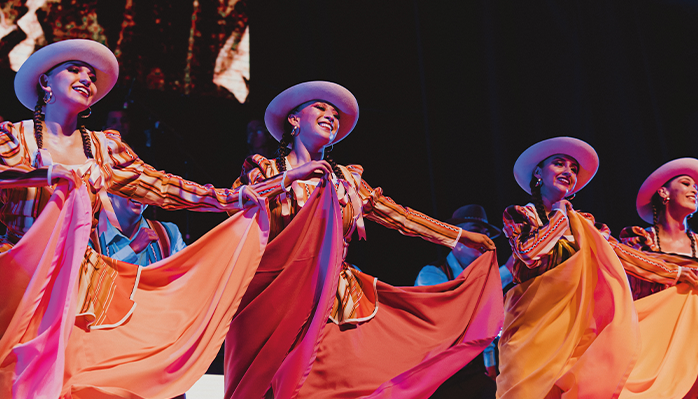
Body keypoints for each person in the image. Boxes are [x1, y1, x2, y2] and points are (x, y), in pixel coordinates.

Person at [0, 39, 324, 399]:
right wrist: (45, 176)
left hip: (81, 281)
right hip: (19, 274)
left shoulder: (104, 148)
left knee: (83, 378)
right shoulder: (14, 139)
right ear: (45, 83)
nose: (86, 79)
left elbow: (161, 186)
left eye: (91, 75)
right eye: (74, 70)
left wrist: (233, 197)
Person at [224, 81, 504, 398]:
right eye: (320, 107)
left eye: (335, 113)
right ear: (294, 119)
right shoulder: (265, 173)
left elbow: (399, 215)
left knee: (334, 387)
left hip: (333, 299)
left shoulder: (346, 180)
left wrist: (459, 236)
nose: (331, 115)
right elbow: (235, 221)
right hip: (275, 300)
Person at [496, 137, 639, 398]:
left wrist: (678, 271)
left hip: (577, 328)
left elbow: (624, 257)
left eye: (573, 168)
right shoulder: (520, 214)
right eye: (559, 164)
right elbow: (529, 252)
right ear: (538, 173)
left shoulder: (588, 226)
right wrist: (561, 215)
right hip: (530, 330)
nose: (568, 172)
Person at [608, 158, 698, 398]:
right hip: (650, 338)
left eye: (695, 187)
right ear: (663, 192)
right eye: (686, 183)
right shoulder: (637, 241)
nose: (694, 190)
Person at [415, 204, 506, 399]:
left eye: (485, 234)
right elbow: (460, 312)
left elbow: (484, 324)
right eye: (475, 233)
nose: (483, 240)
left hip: (473, 372)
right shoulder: (431, 275)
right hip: (440, 378)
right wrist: (507, 271)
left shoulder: (483, 278)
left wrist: (489, 365)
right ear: (454, 240)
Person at [95, 193, 186, 266]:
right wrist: (131, 250)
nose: (140, 192)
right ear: (108, 191)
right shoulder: (89, 238)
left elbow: (186, 277)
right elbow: (91, 282)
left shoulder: (168, 234)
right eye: (131, 183)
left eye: (145, 185)